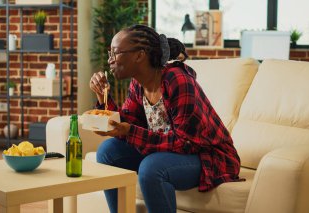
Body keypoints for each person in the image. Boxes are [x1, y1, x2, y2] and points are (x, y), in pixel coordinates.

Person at [89, 24, 241, 213]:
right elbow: (125, 123)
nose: (110, 60)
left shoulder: (178, 81)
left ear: (139, 55)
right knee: (107, 151)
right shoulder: (138, 85)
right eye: (109, 53)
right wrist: (103, 97)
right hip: (168, 150)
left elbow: (184, 143)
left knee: (152, 169)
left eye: (115, 53)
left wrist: (130, 131)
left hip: (206, 154)